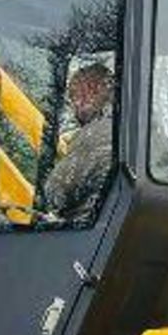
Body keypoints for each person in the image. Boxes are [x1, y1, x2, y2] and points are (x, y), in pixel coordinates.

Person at [37, 60, 114, 226]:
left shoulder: (96, 133)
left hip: (86, 229)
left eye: (74, 95)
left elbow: (56, 194)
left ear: (90, 92)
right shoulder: (138, 133)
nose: (73, 105)